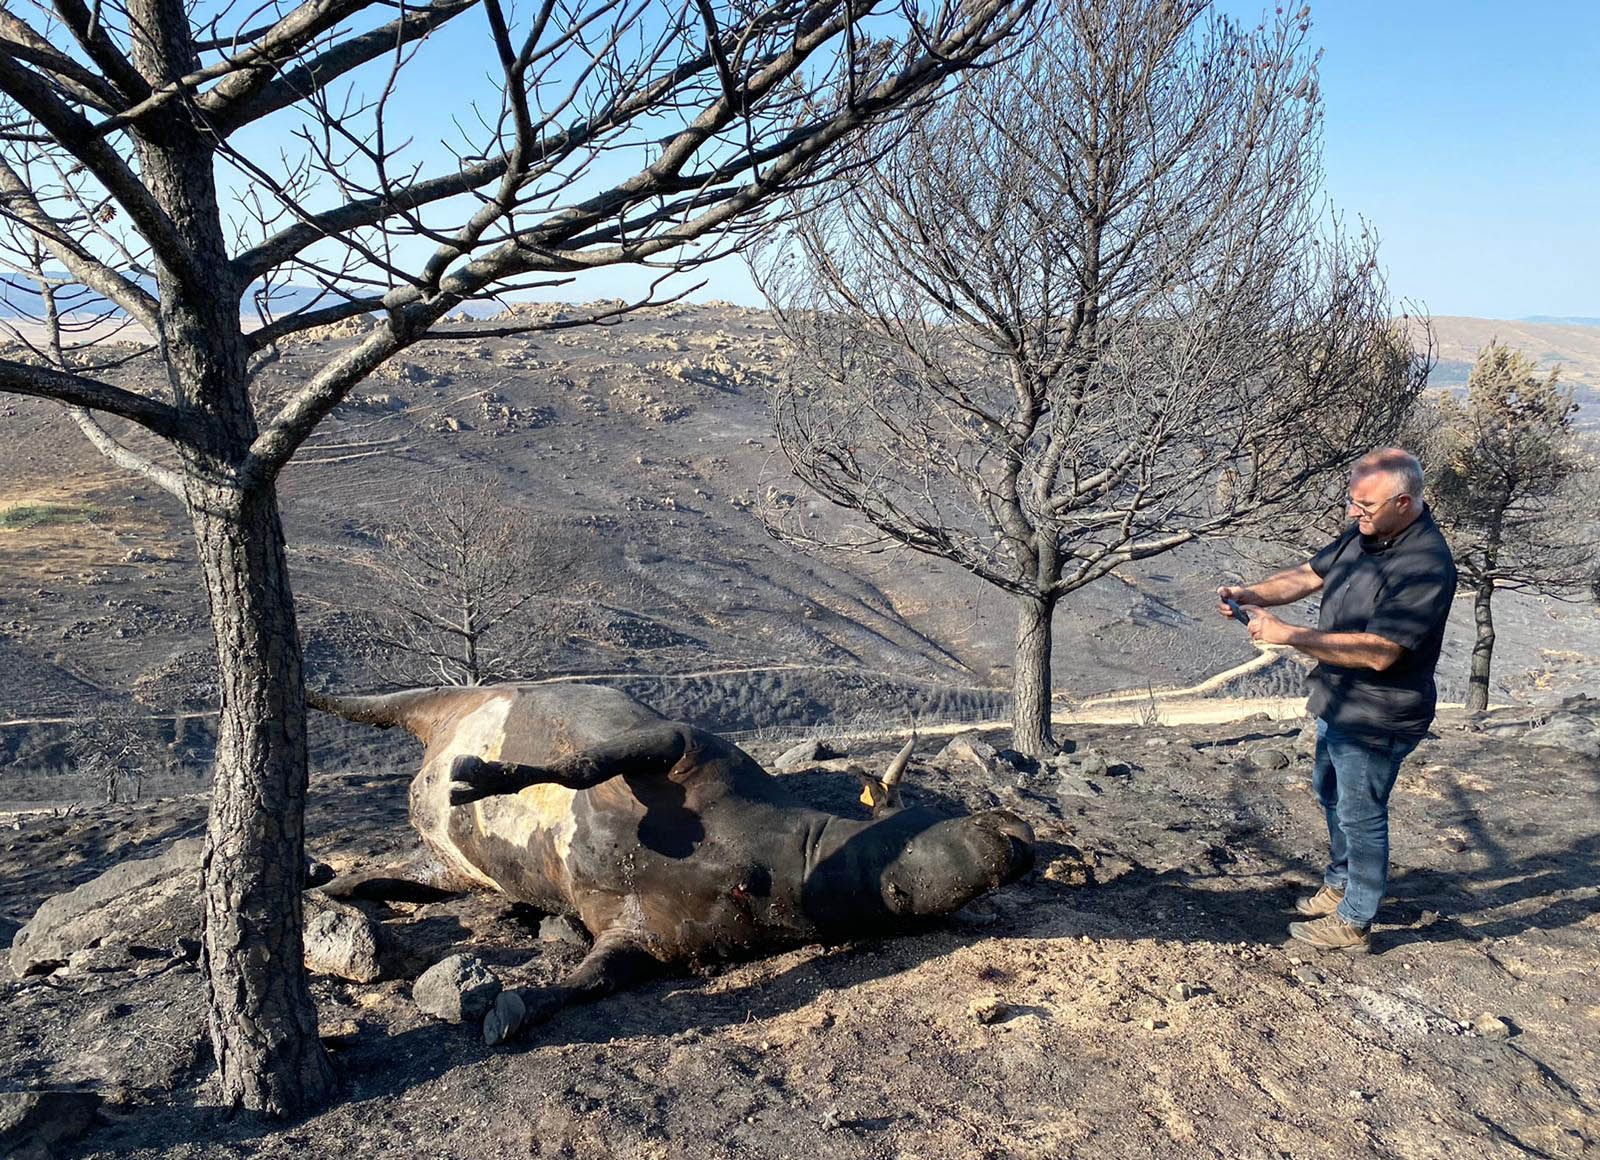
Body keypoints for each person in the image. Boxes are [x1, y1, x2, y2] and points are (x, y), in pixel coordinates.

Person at [1218, 448, 1456, 953]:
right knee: (1331, 793)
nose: (1353, 513)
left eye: (1364, 506)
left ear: (1404, 502)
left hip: (1380, 712)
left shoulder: (1425, 565)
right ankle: (1341, 881)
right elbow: (1308, 574)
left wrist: (1289, 635)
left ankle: (1354, 919)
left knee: (1361, 810)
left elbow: (1380, 653)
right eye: (1351, 502)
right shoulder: (1368, 533)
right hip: (1339, 699)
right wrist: (1251, 593)